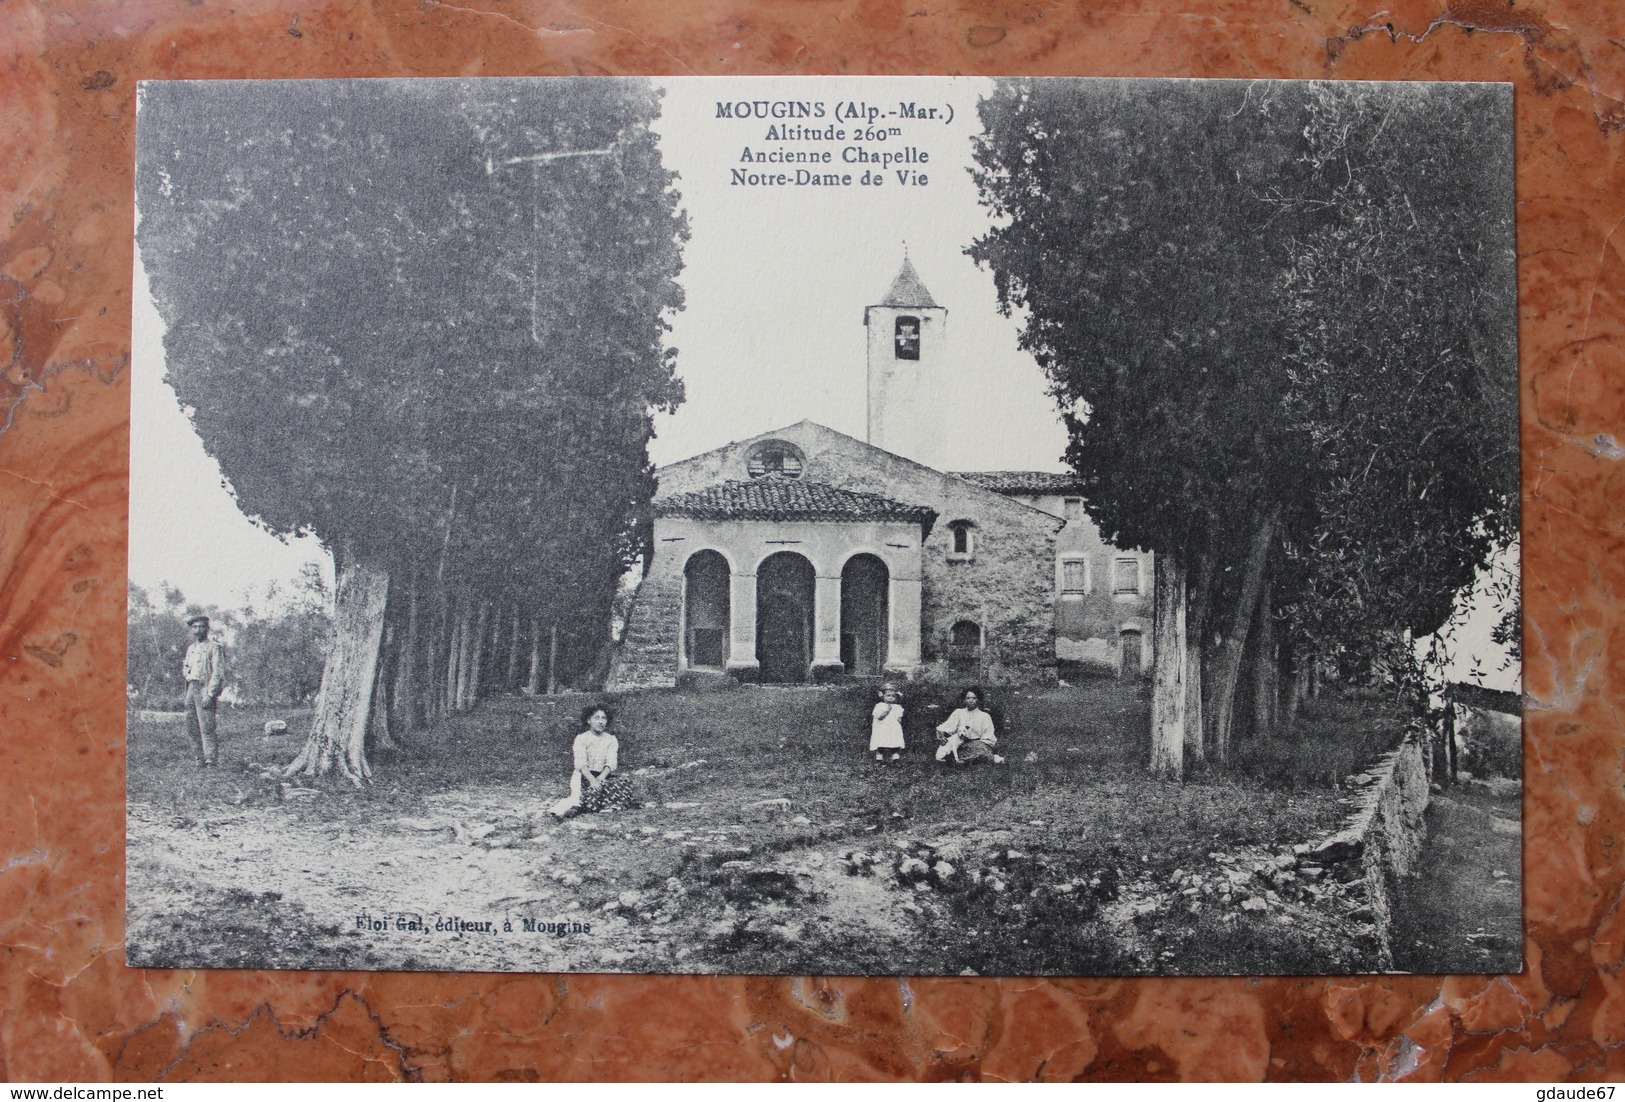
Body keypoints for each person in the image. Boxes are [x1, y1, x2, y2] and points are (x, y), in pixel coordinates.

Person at [550, 704, 634, 818]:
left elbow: (611, 763)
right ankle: (578, 806)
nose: (600, 722)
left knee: (625, 783)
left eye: (603, 718)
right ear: (589, 720)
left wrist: (600, 779)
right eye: (596, 718)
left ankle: (600, 803)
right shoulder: (581, 738)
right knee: (590, 793)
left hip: (603, 776)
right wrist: (592, 781)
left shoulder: (611, 739)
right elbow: (581, 763)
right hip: (585, 776)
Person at [181, 614, 227, 768]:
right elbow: (186, 667)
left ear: (207, 628)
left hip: (205, 688)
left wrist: (210, 693)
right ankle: (198, 758)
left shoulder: (214, 647)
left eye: (201, 627)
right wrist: (187, 676)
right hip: (191, 687)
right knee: (191, 725)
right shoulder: (191, 649)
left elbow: (218, 673)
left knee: (206, 726)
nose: (198, 630)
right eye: (194, 627)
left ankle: (210, 760)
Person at [935, 687, 1004, 765]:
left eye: (974, 698)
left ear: (978, 700)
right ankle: (963, 759)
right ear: (964, 700)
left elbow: (988, 736)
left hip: (977, 744)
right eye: (968, 698)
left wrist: (978, 743)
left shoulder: (984, 716)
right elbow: (947, 726)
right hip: (960, 743)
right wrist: (941, 735)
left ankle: (964, 760)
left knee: (981, 751)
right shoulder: (958, 712)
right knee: (951, 748)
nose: (971, 701)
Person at [870, 683, 906, 762]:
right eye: (888, 695)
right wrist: (887, 711)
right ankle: (879, 758)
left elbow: (899, 717)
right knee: (880, 742)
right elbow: (879, 717)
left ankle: (895, 757)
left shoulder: (897, 707)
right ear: (883, 696)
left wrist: (899, 719)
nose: (891, 698)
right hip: (882, 728)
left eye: (893, 696)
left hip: (893, 728)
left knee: (894, 742)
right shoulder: (879, 706)